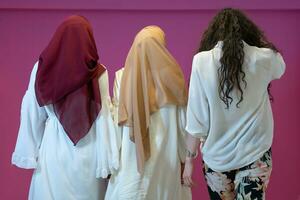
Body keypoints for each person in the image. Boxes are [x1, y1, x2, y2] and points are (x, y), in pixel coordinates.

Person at [11, 15, 119, 200]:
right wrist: (106, 161)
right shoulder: (98, 71)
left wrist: (29, 152)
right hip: (89, 156)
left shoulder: (41, 68)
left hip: (53, 151)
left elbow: (32, 112)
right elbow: (104, 118)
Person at [182, 8, 286, 200]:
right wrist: (257, 41)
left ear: (213, 35)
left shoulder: (201, 61)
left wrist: (189, 160)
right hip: (256, 154)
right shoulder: (263, 58)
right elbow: (280, 66)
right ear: (248, 33)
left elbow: (196, 119)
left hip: (216, 158)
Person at [105, 26, 192, 200]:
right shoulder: (174, 78)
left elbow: (116, 124)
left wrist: (112, 160)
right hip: (167, 161)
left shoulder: (122, 77)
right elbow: (184, 126)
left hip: (130, 160)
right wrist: (184, 158)